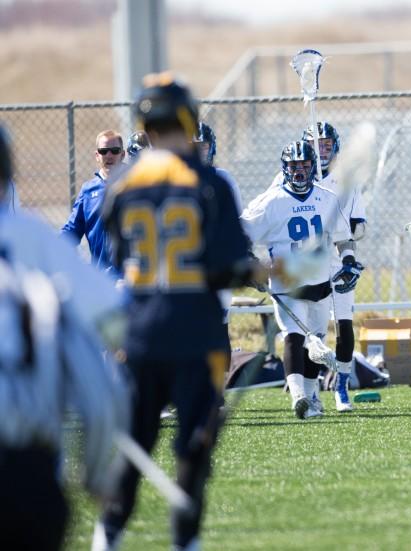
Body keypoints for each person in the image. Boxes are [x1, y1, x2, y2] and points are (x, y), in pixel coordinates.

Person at [93, 73, 263, 551]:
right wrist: (272, 271)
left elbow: (124, 251)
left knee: (131, 447)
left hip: (140, 335)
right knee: (192, 450)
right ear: (187, 120)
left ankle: (107, 536)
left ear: (144, 125)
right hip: (195, 335)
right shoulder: (209, 182)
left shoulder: (122, 185)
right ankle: (185, 542)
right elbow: (225, 268)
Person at [0, 123, 126, 551]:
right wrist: (94, 471)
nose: (109, 157)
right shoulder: (34, 238)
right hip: (28, 469)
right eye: (104, 152)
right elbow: (96, 383)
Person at [243, 139, 362, 419]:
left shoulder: (326, 197)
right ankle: (298, 397)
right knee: (295, 337)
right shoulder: (271, 201)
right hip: (287, 281)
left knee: (317, 341)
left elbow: (345, 239)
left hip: (321, 282)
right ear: (284, 168)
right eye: (294, 166)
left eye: (304, 165)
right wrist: (250, 262)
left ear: (313, 167)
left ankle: (311, 396)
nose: (299, 171)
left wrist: (347, 261)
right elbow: (239, 233)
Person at [303, 121, 367, 412]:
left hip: (340, 257)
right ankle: (310, 388)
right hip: (308, 262)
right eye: (316, 145)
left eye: (327, 145)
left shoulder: (345, 181)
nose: (322, 151)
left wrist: (348, 257)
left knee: (344, 322)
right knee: (312, 328)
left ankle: (341, 386)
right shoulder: (294, 177)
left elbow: (358, 227)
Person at [195, 121, 243, 366]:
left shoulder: (222, 179)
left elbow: (235, 221)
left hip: (216, 263)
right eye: (193, 146)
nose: (199, 151)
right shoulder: (174, 180)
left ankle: (218, 392)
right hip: (186, 267)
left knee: (219, 327)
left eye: (203, 146)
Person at [62, 129, 126, 272]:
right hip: (102, 277)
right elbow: (72, 231)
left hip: (130, 278)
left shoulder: (134, 183)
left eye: (114, 150)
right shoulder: (88, 190)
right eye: (103, 151)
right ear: (97, 155)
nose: (109, 155)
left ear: (122, 154)